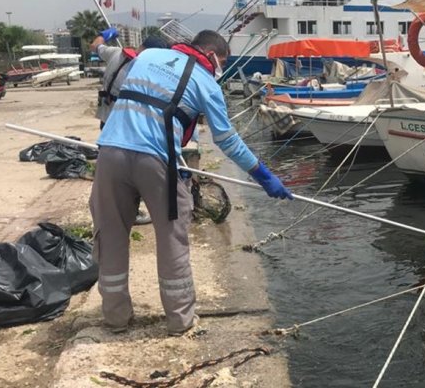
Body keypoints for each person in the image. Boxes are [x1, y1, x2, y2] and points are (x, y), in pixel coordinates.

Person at [89, 29, 292, 336]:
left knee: (111, 233)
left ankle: (115, 318)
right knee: (172, 237)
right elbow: (228, 140)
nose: (219, 68)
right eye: (221, 61)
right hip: (156, 161)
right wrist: (264, 176)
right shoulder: (206, 83)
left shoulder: (148, 56)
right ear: (213, 55)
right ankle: (180, 320)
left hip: (110, 152)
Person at [90, 28, 168, 226]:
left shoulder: (116, 53)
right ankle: (131, 212)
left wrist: (106, 34)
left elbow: (95, 46)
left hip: (106, 119)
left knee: (109, 166)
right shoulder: (144, 67)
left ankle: (108, 210)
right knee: (132, 169)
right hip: (127, 123)